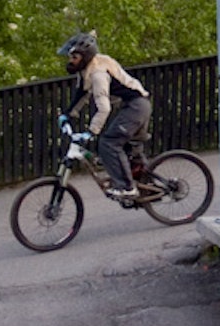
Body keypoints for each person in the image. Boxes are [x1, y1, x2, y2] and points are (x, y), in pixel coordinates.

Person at [59, 31, 151, 201]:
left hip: (136, 106)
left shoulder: (98, 74)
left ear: (85, 56)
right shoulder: (87, 69)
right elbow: (81, 95)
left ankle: (127, 188)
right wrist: (67, 115)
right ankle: (144, 182)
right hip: (133, 105)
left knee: (109, 143)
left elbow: (104, 109)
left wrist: (91, 132)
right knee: (127, 148)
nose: (71, 61)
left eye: (74, 57)